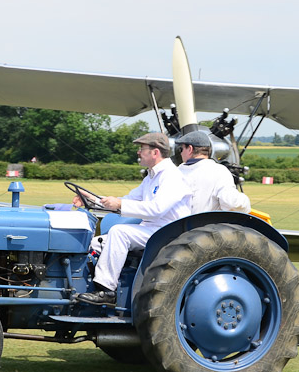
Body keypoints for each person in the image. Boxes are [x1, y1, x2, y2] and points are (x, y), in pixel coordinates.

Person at [73, 132, 192, 306]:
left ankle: (107, 291)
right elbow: (127, 199)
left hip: (167, 231)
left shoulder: (172, 176)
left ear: (155, 152)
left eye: (142, 148)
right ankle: (83, 287)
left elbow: (156, 209)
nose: (138, 152)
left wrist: (119, 204)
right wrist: (90, 199)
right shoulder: (152, 176)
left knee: (119, 232)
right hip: (152, 229)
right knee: (94, 243)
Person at [176, 129, 251, 214]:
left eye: (181, 149)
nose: (181, 154)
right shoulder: (219, 171)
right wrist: (245, 200)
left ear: (190, 149)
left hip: (176, 226)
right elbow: (232, 204)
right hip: (205, 226)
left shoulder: (174, 173)